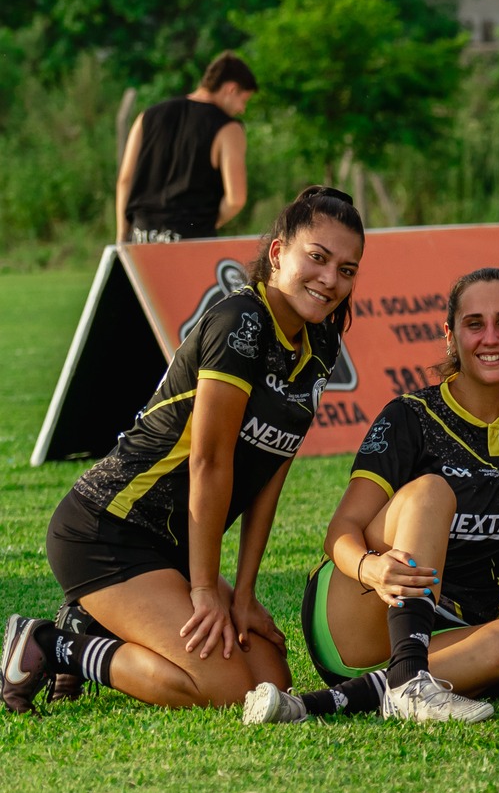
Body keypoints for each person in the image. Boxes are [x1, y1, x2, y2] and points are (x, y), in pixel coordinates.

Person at [3, 187, 363, 713]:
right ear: (279, 253)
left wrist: (241, 595)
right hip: (109, 529)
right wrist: (202, 592)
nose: (330, 280)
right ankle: (53, 645)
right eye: (318, 258)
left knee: (271, 680)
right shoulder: (240, 322)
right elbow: (209, 461)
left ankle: (88, 621)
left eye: (347, 269)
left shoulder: (321, 343)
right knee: (223, 689)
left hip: (174, 545)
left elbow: (274, 468)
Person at [242, 269, 499, 725]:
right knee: (432, 491)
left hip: (450, 633)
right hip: (360, 608)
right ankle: (410, 678)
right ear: (450, 336)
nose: (490, 338)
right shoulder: (410, 416)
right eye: (474, 324)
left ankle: (323, 704)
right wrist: (371, 567)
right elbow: (341, 531)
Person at [115, 51, 255, 243]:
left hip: (142, 236)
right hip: (191, 240)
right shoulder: (228, 129)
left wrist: (123, 235)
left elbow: (125, 180)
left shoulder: (147, 117)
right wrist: (204, 225)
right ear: (231, 89)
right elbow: (236, 199)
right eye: (244, 100)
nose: (242, 109)